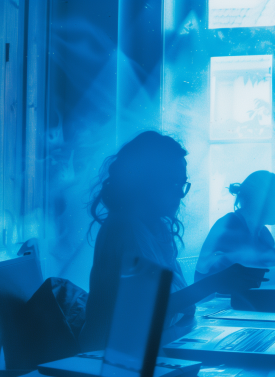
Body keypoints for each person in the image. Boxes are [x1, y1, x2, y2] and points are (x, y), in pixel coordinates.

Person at [79, 132, 265, 351]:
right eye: (172, 183)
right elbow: (151, 309)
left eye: (182, 184)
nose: (180, 194)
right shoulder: (125, 228)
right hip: (113, 359)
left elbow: (172, 304)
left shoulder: (155, 227)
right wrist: (215, 282)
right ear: (144, 183)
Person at [195, 170, 275, 284]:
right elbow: (250, 270)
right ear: (263, 201)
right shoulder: (230, 224)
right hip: (212, 301)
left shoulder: (263, 232)